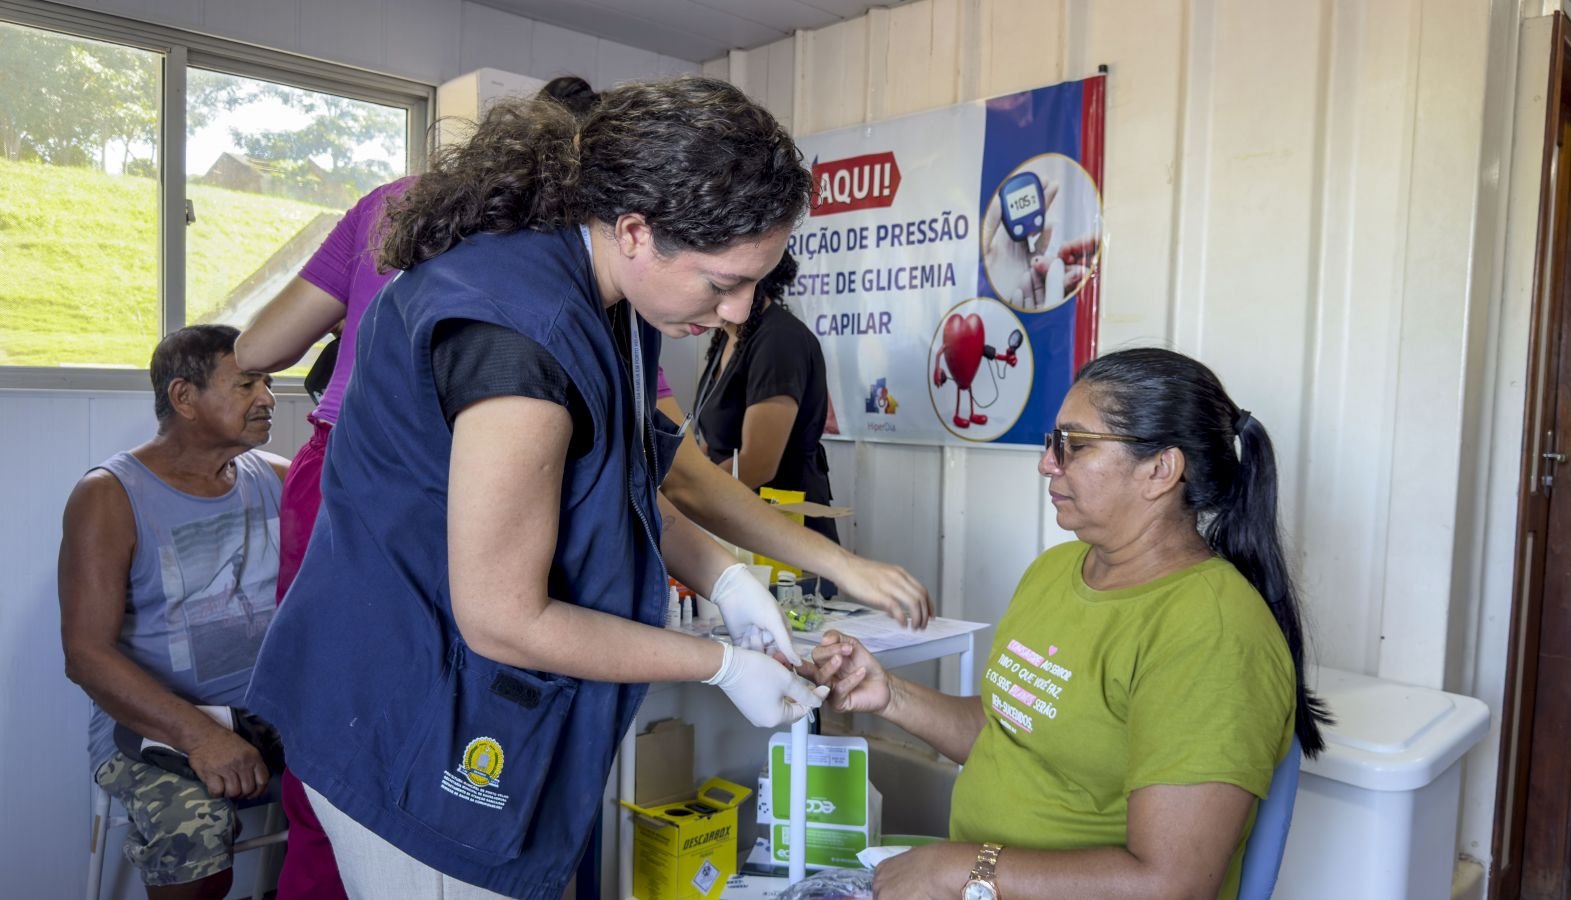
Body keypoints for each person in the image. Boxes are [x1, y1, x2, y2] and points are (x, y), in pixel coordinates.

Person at [245, 75, 925, 899]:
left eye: (757, 284)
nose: (740, 312)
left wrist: (727, 577)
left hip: (449, 684)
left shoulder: (606, 295)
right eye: (722, 283)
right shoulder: (517, 333)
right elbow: (503, 618)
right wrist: (718, 664)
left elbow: (625, 482)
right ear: (636, 229)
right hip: (406, 710)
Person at [232, 74, 605, 900]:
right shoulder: (581, 242)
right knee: (479, 751)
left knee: (333, 740)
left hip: (342, 476)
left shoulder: (393, 204)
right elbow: (644, 425)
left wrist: (365, 313)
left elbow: (257, 349)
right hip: (479, 483)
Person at [804, 347, 1329, 900]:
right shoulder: (1057, 570)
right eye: (1054, 442)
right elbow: (1009, 732)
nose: (1047, 462)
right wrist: (888, 696)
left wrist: (964, 869)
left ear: (1160, 469)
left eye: (1074, 445)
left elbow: (1168, 883)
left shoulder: (1213, 633)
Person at [59, 325, 287, 900]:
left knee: (376, 788)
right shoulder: (110, 495)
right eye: (247, 384)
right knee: (196, 828)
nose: (268, 398)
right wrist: (200, 738)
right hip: (149, 731)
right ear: (184, 398)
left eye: (268, 382)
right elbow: (86, 656)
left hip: (272, 718)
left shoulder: (279, 478)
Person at [692, 250, 838, 541]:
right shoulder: (729, 336)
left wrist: (691, 493)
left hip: (786, 531)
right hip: (739, 519)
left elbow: (757, 464)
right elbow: (714, 439)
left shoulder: (779, 340)